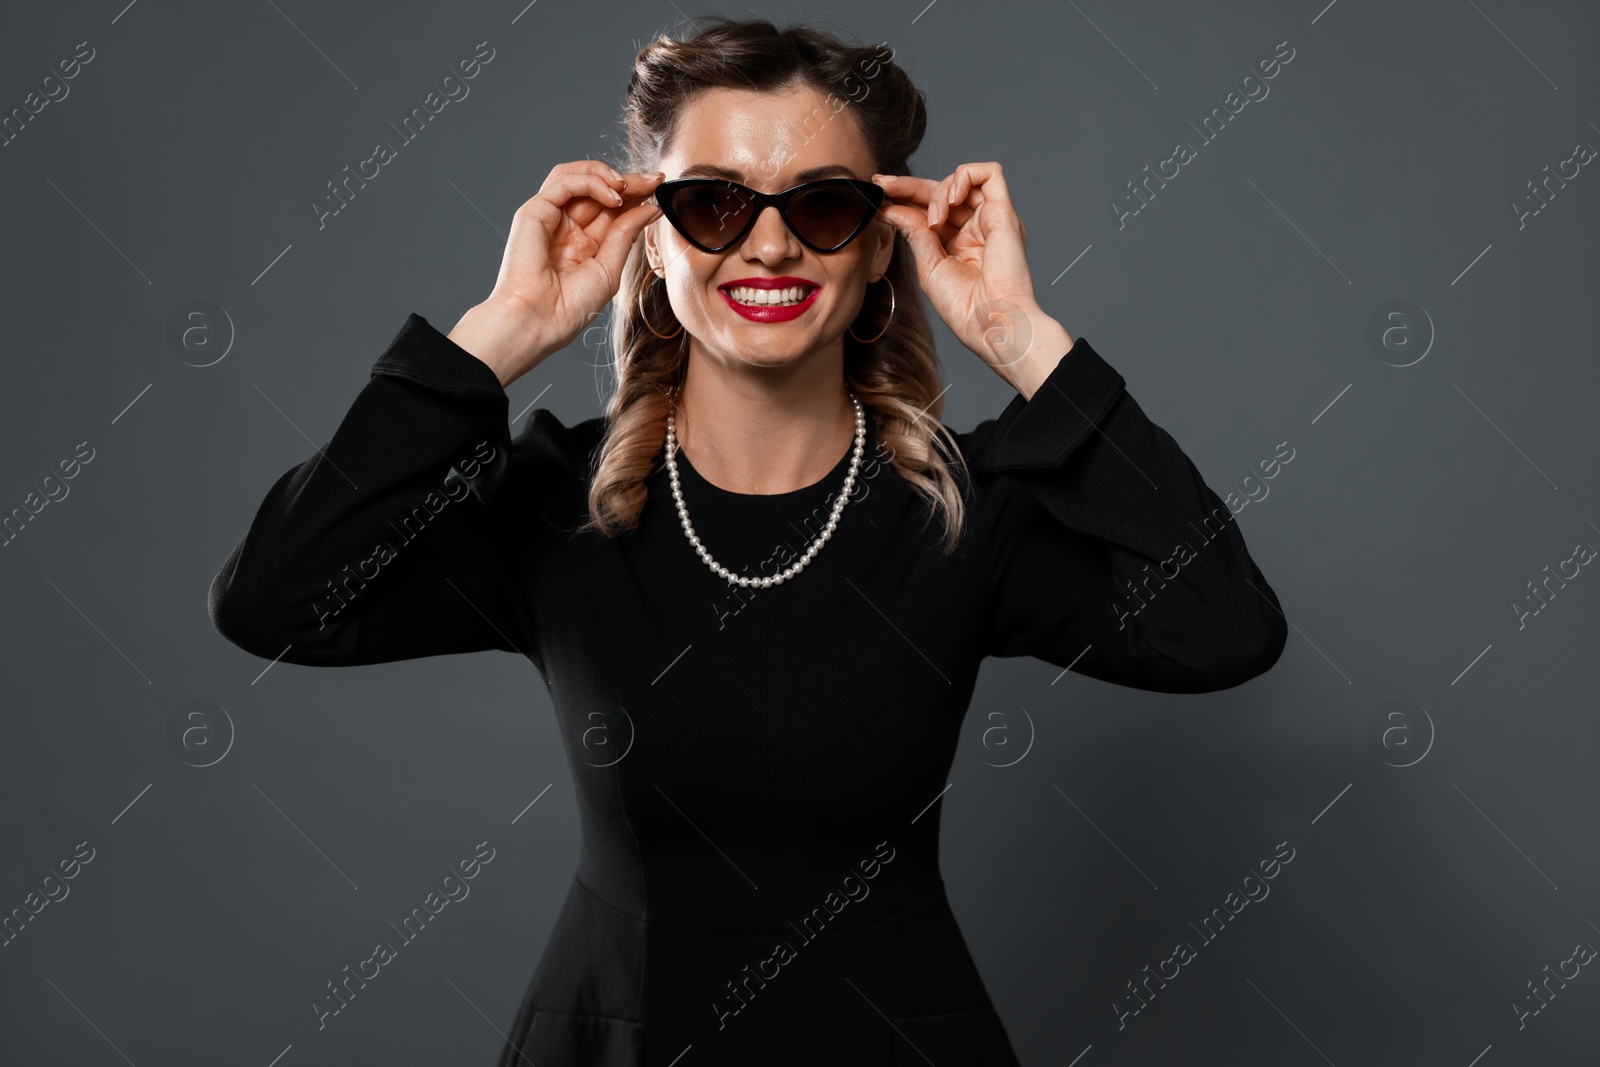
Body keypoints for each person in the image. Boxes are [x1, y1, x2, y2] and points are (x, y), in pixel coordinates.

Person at [208, 16, 1288, 1066]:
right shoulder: (555, 502)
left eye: (821, 204)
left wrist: (1024, 339)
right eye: (714, 204)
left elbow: (1224, 628)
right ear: (652, 240)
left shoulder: (967, 505)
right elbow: (277, 597)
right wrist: (499, 334)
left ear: (876, 249)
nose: (768, 241)